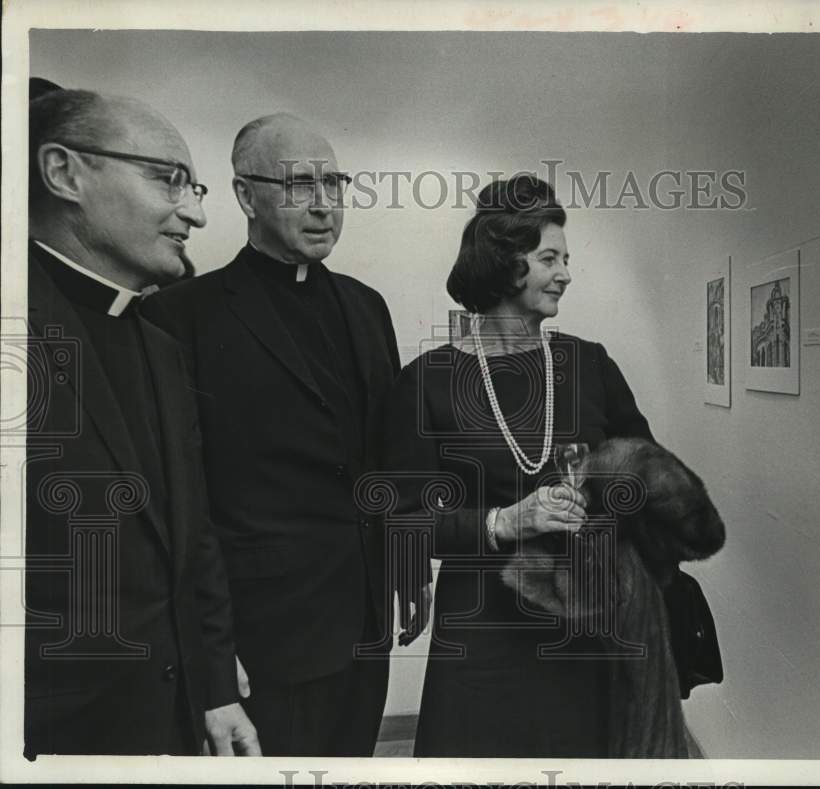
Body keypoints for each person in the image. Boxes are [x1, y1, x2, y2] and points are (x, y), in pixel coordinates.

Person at [142, 113, 428, 756]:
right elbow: (179, 502)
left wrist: (410, 561)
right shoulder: (179, 314)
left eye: (334, 184)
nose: (324, 205)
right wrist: (210, 649)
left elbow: (388, 455)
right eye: (300, 185)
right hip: (261, 635)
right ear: (246, 196)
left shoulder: (366, 304)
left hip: (365, 623)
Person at [382, 174, 660, 757]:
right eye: (549, 259)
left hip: (584, 623)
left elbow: (645, 477)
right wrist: (507, 520)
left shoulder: (590, 364)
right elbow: (404, 521)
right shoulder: (427, 381)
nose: (566, 274)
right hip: (482, 634)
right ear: (505, 266)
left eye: (566, 259)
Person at [25, 88, 259, 756]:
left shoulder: (160, 345)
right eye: (168, 179)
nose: (196, 213)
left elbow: (192, 533)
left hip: (170, 724)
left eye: (195, 188)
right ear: (64, 173)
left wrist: (215, 686)